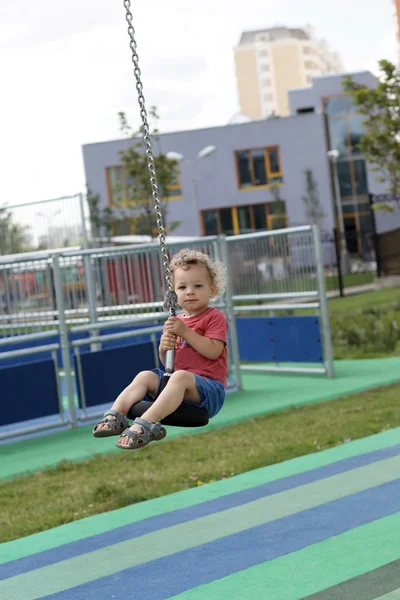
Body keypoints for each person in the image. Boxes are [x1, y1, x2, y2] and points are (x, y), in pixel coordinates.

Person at [92, 248, 228, 450]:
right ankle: (116, 416)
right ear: (174, 293)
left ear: (212, 290)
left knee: (180, 377)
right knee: (145, 376)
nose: (189, 291)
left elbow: (213, 351)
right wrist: (164, 349)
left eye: (197, 286)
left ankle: (146, 424)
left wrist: (186, 332)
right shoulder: (176, 320)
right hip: (178, 382)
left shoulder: (214, 317)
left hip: (208, 391)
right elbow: (169, 365)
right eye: (182, 287)